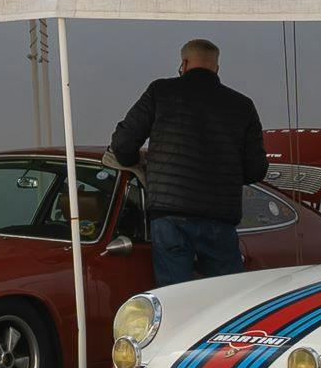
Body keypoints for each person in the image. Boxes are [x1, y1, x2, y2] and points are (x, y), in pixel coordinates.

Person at [109, 37, 268, 287]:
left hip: (170, 217)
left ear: (183, 63)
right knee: (227, 300)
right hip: (220, 219)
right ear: (216, 67)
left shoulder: (160, 92)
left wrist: (140, 162)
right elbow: (256, 170)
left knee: (176, 299)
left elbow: (122, 145)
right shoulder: (243, 106)